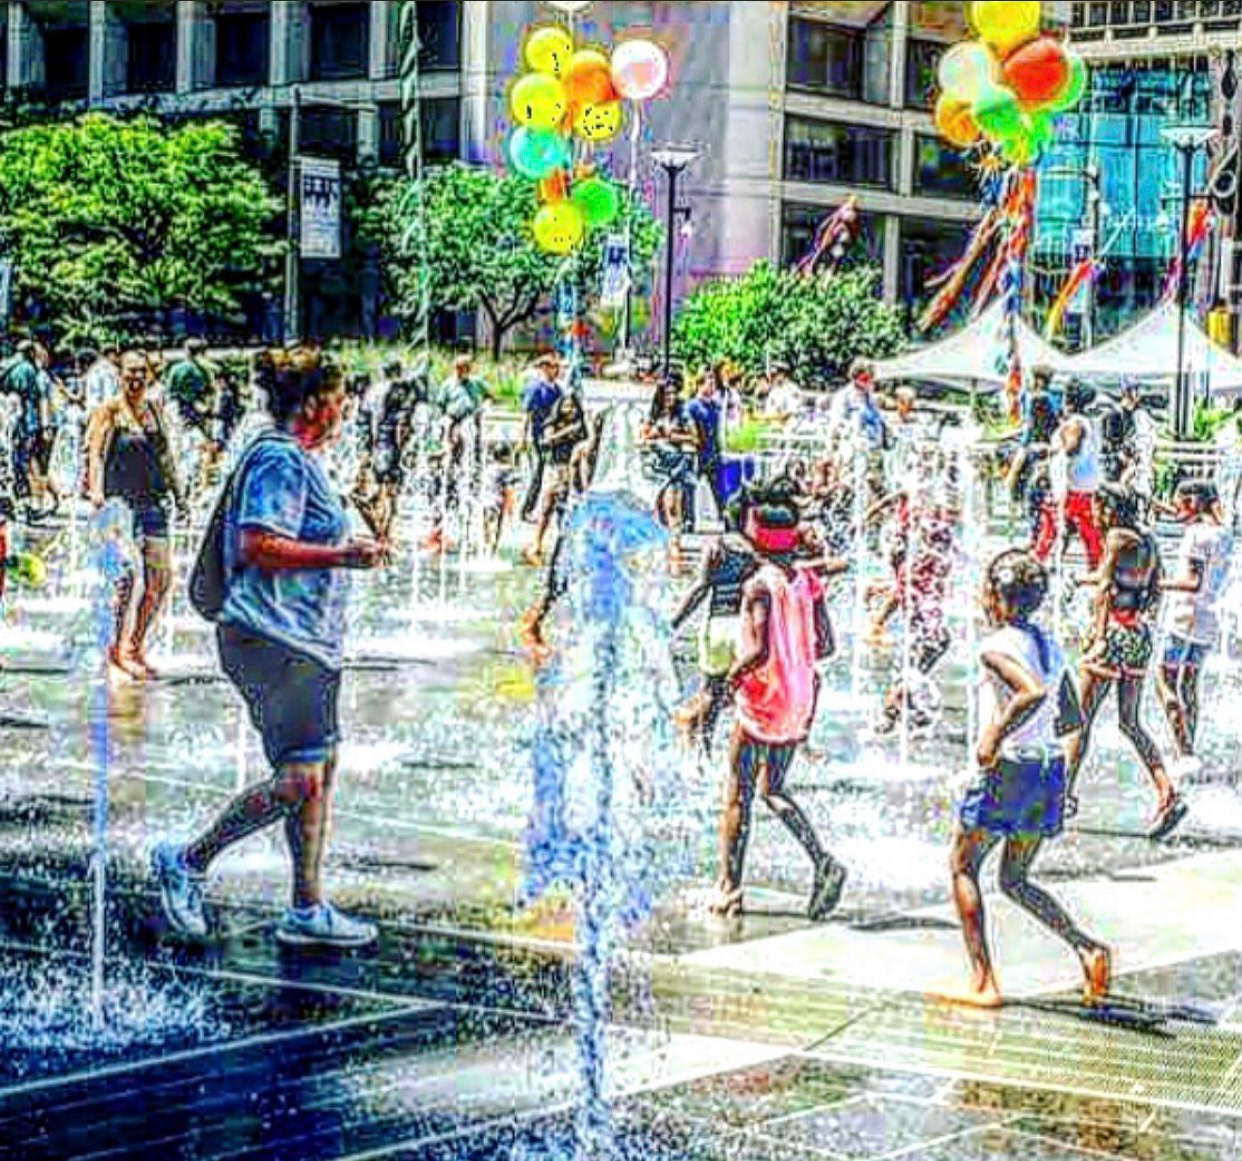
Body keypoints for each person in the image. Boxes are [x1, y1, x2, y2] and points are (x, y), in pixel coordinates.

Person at [152, 346, 391, 948]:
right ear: (313, 403)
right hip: (270, 638)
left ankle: (307, 908)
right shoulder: (279, 459)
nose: (343, 411)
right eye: (337, 400)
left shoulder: (299, 461)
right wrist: (344, 555)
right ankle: (187, 861)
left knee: (320, 767)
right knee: (301, 778)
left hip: (303, 643)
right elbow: (260, 543)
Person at [949, 549, 1110, 1009]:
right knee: (1015, 879)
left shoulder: (995, 646)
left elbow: (1031, 693)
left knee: (963, 866)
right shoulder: (1049, 645)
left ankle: (983, 982)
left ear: (997, 597)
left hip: (1009, 769)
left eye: (985, 590)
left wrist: (992, 737)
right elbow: (1071, 716)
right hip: (1046, 770)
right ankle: (1086, 948)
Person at [713, 481, 846, 921]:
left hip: (763, 700)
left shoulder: (758, 585)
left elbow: (757, 653)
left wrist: (724, 686)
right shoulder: (806, 580)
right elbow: (825, 644)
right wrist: (797, 654)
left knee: (738, 793)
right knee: (775, 788)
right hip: (799, 697)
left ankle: (729, 889)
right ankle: (823, 860)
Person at [1067, 484, 1185, 840]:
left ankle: (1061, 798)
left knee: (1079, 721)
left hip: (1113, 635)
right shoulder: (1146, 539)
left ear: (1108, 507)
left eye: (1097, 507)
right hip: (1137, 634)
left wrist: (1099, 636)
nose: (1094, 514)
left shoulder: (1117, 537)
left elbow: (1105, 587)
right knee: (1130, 722)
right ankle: (1167, 791)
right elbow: (1152, 587)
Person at [85, 350, 184, 679]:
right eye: (130, 372)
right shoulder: (109, 411)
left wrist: (180, 495)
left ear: (150, 375)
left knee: (161, 578)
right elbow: (96, 455)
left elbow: (167, 456)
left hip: (153, 502)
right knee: (126, 576)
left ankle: (135, 645)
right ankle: (114, 649)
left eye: (141, 372)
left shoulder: (155, 409)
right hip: (119, 504)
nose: (135, 378)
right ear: (119, 374)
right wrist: (96, 492)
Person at [671, 490, 759, 757]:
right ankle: (740, 755)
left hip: (716, 627)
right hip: (743, 628)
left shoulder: (716, 547)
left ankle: (703, 750)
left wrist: (675, 621)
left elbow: (699, 589)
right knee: (741, 692)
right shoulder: (755, 552)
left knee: (711, 690)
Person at [1158, 481, 1234, 774]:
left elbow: (1192, 583)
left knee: (1164, 680)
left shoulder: (1196, 536)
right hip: (1208, 621)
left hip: (1183, 617)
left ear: (1193, 501)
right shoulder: (1224, 533)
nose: (1176, 508)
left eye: (1180, 502)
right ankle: (1191, 744)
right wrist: (1154, 503)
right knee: (1190, 682)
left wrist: (1155, 584)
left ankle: (1184, 751)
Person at [1037, 381, 1103, 570]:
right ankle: (1096, 572)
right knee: (1090, 536)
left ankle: (1034, 566)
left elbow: (1071, 448)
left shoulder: (1075, 423)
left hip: (1070, 489)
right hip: (1084, 489)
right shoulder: (1086, 422)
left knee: (1049, 530)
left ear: (1069, 401)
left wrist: (1051, 450)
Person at [640, 376, 698, 574]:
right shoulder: (654, 414)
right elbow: (643, 437)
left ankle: (675, 556)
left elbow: (695, 438)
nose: (671, 397)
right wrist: (655, 434)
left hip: (674, 466)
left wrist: (673, 435)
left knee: (673, 509)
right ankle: (661, 554)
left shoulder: (682, 414)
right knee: (657, 513)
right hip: (656, 468)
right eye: (667, 394)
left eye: (674, 393)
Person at [525, 391, 588, 566]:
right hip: (555, 468)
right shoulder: (553, 423)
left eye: (573, 406)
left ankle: (567, 546)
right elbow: (546, 441)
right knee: (547, 507)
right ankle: (536, 543)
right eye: (566, 406)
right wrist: (567, 432)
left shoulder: (581, 425)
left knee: (568, 509)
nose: (570, 410)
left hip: (572, 470)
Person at [520, 354, 563, 527]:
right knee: (536, 474)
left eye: (557, 367)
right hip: (538, 436)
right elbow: (527, 414)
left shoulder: (558, 389)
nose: (556, 370)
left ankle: (551, 510)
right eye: (553, 367)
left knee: (554, 474)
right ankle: (526, 510)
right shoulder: (536, 388)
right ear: (545, 368)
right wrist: (523, 437)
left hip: (553, 438)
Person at [685, 370, 726, 525]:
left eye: (714, 384)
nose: (713, 387)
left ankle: (724, 517)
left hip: (713, 452)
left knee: (719, 489)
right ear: (700, 385)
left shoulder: (715, 406)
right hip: (697, 453)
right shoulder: (692, 406)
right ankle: (689, 519)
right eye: (710, 384)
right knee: (691, 488)